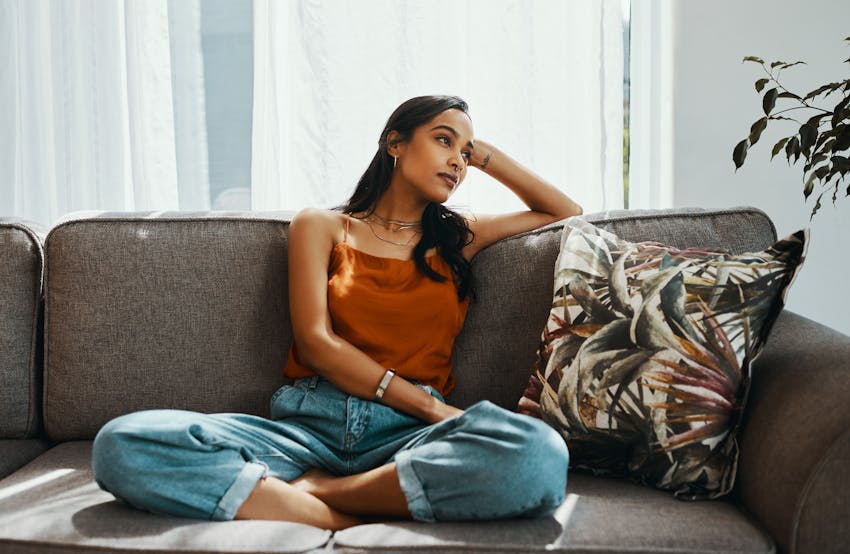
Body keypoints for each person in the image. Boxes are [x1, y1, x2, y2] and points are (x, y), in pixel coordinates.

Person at [91, 95, 583, 529]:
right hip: (307, 429)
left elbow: (565, 211)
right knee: (122, 443)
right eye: (443, 140)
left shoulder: (460, 237)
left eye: (465, 153)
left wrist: (486, 157)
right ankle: (355, 509)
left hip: (410, 440)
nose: (457, 162)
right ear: (394, 142)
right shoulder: (322, 227)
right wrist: (432, 406)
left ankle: (322, 495)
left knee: (538, 455)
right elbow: (317, 344)